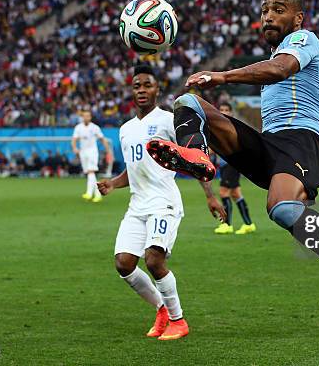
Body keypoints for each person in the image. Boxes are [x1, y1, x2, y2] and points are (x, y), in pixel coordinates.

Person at [146, 0, 319, 330]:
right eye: (264, 11)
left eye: (278, 10)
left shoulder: (306, 41)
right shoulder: (277, 55)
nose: (268, 16)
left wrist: (221, 76)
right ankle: (198, 155)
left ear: (298, 18)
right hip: (271, 144)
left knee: (282, 209)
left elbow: (279, 70)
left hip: (304, 142)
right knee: (187, 103)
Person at [97, 65, 226, 341]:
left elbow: (194, 158)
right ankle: (162, 309)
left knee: (154, 260)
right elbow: (133, 171)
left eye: (147, 85)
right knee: (124, 263)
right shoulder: (126, 129)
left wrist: (210, 195)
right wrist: (113, 183)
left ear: (157, 89)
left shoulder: (169, 121)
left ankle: (179, 321)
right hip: (137, 205)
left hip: (163, 202)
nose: (142, 90)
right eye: (137, 86)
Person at [212, 102, 257, 235]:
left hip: (232, 163)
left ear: (231, 112)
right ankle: (249, 224)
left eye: (227, 109)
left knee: (223, 192)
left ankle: (227, 225)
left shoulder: (231, 126)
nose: (224, 111)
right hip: (227, 163)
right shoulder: (218, 126)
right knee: (235, 194)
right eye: (222, 109)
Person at [71, 110, 112, 202]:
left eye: (88, 116)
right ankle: (97, 194)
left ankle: (89, 193)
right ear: (82, 117)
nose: (86, 118)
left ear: (90, 117)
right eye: (84, 116)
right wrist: (74, 148)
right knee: (90, 173)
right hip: (83, 152)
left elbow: (102, 139)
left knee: (91, 171)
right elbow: (74, 139)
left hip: (92, 151)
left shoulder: (94, 127)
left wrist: (108, 151)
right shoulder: (78, 127)